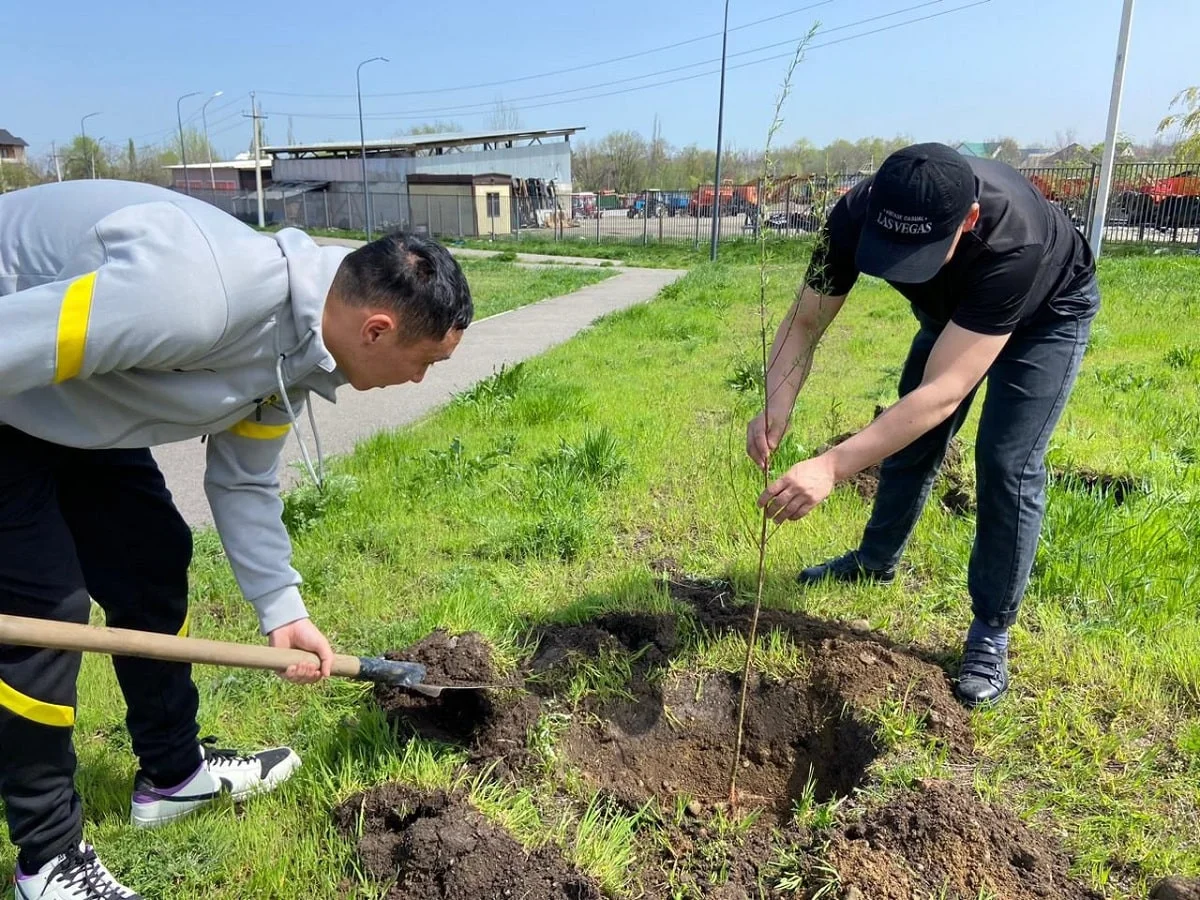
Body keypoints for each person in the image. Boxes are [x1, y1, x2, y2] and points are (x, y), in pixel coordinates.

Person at [0, 179, 473, 899]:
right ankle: (49, 857)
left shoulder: (300, 351)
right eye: (426, 364)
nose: (418, 382)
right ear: (376, 330)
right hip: (14, 385)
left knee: (152, 559)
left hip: (76, 396)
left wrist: (283, 611)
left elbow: (244, 480)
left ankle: (172, 776)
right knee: (47, 613)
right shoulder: (194, 294)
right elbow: (13, 342)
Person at [747, 142, 1099, 709]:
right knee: (908, 441)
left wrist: (832, 466)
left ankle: (990, 627)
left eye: (921, 251)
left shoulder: (1015, 238)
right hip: (951, 314)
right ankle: (875, 560)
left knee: (1006, 463)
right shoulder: (853, 214)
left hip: (1045, 314)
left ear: (969, 220)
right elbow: (804, 320)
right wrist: (776, 402)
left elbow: (943, 393)